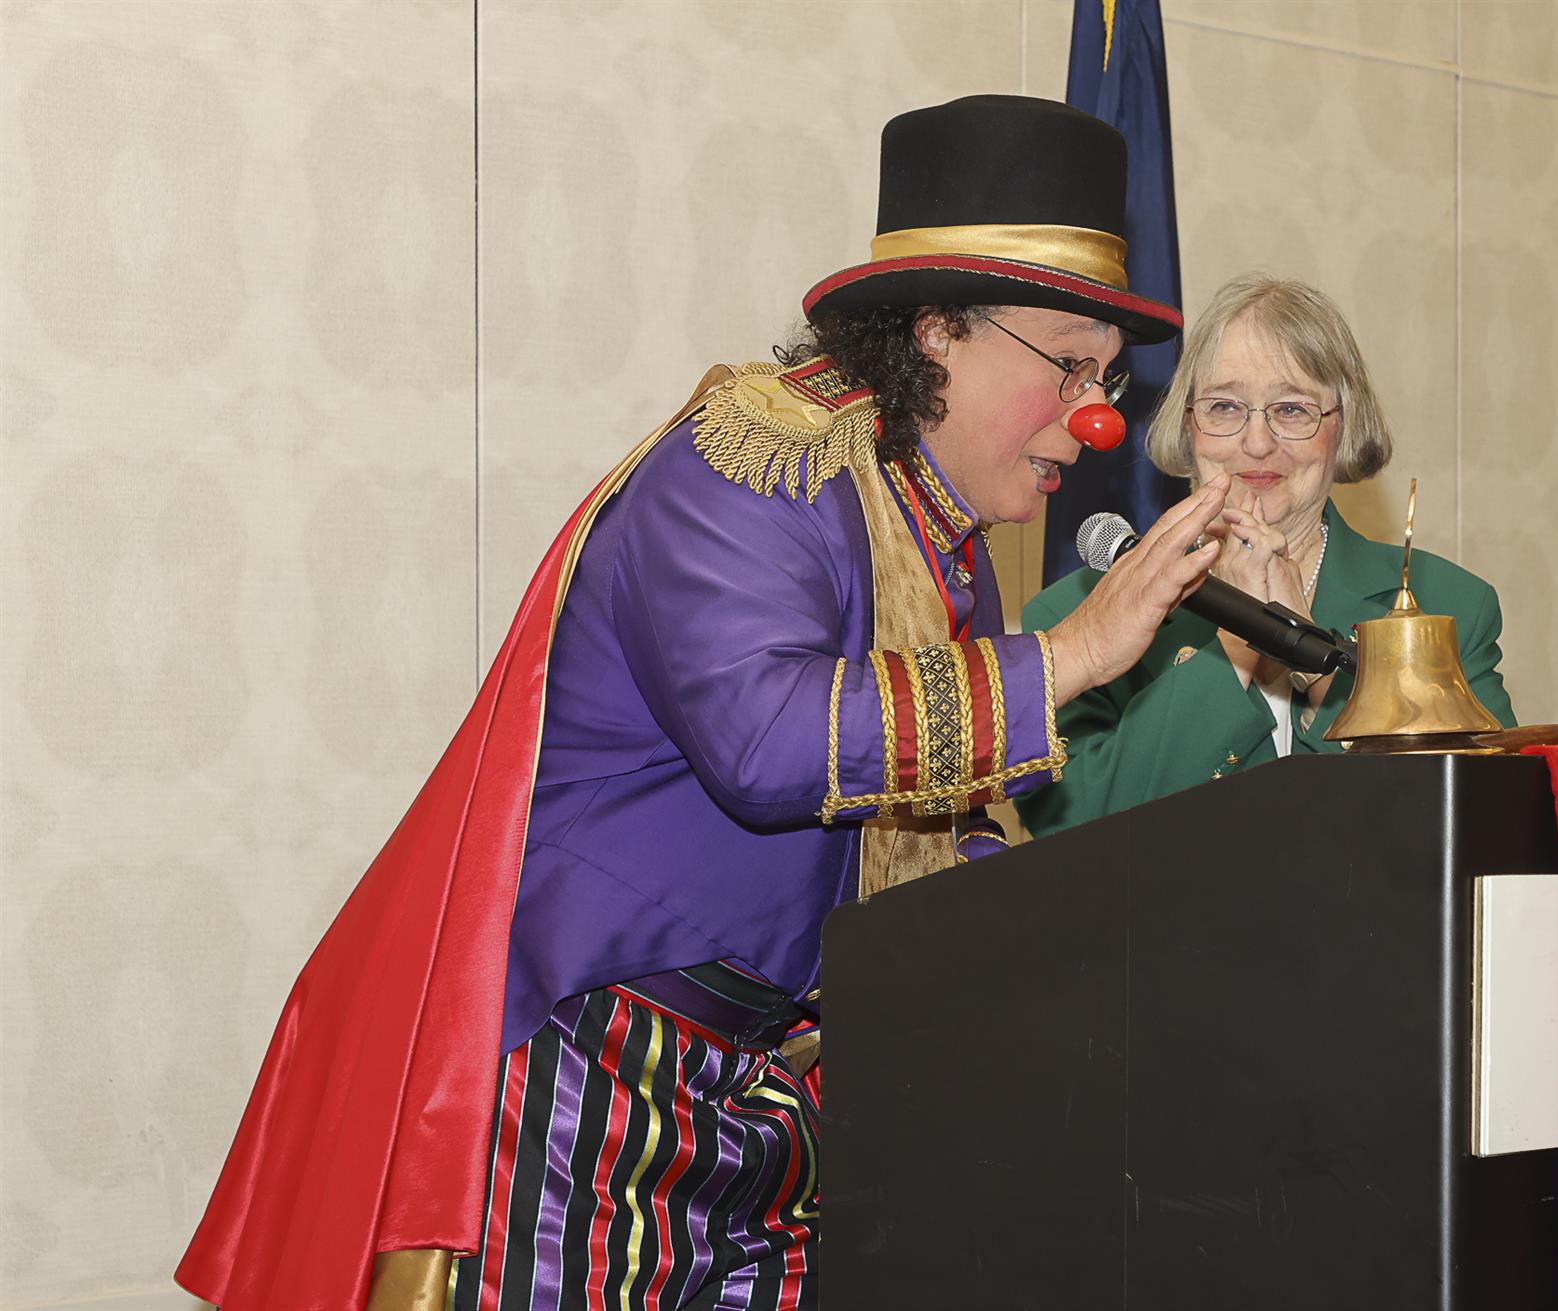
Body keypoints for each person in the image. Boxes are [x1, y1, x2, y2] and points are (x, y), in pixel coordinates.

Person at [176, 95, 1236, 1311]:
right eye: (1068, 365)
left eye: (1107, 376)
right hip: (594, 1084)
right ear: (940, 329)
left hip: (775, 1101)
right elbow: (767, 743)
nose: (1096, 419)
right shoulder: (753, 465)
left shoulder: (940, 541)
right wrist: (1073, 654)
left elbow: (935, 840)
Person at [1018, 274, 1515, 838]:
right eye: (1224, 406)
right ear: (1187, 424)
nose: (1257, 443)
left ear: (1343, 428)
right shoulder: (1071, 618)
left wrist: (1314, 661)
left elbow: (1483, 825)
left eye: (1293, 410)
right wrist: (1239, 641)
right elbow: (1075, 827)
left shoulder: (1450, 605)